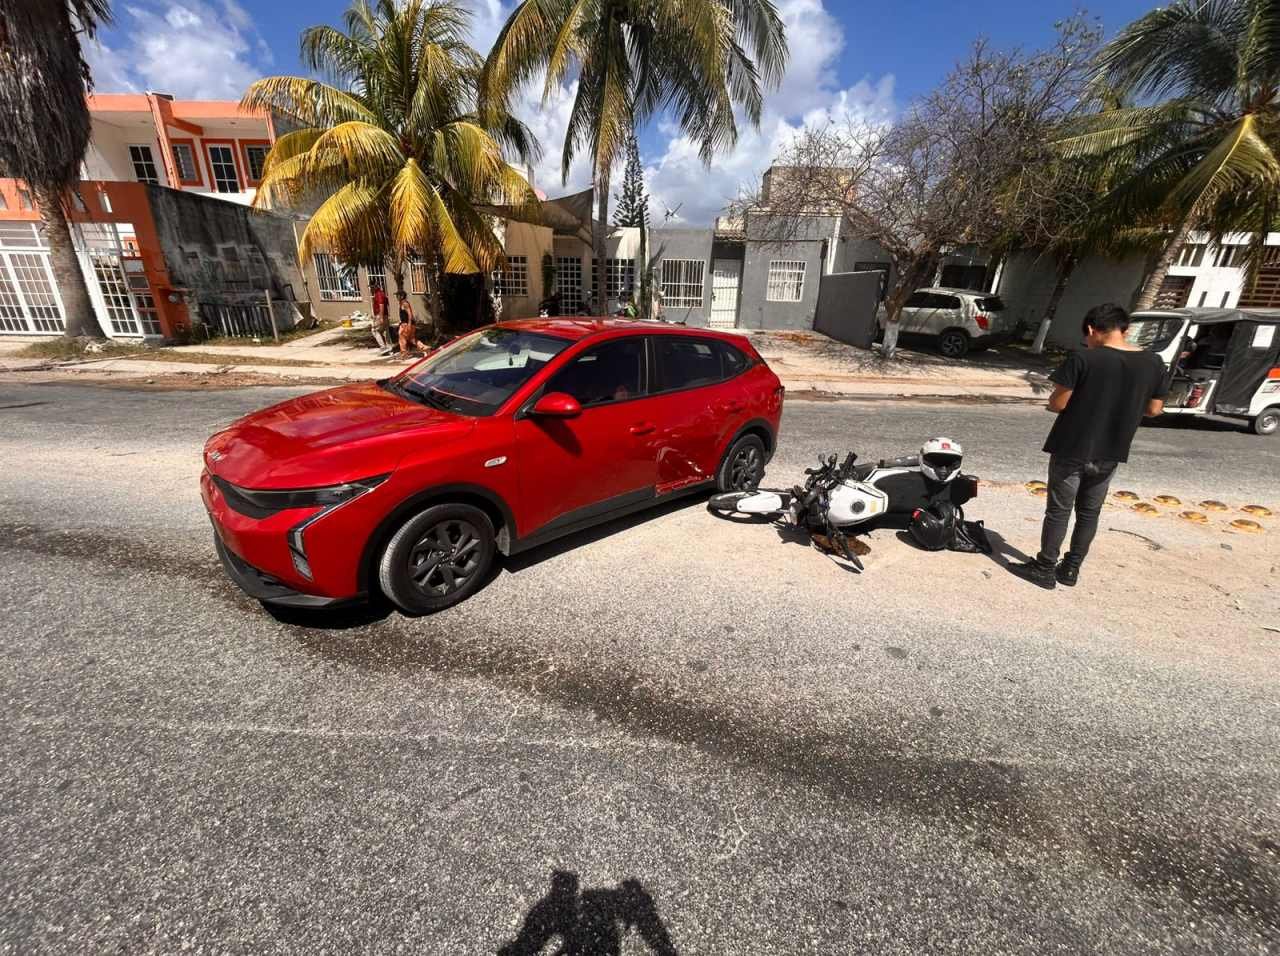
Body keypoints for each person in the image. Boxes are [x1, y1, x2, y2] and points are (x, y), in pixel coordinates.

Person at [1010, 303, 1167, 589]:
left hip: (1073, 445)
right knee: (1089, 512)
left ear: (1093, 330)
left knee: (1059, 510)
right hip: (1112, 450)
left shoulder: (1083, 358)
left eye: (1087, 336)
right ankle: (1071, 569)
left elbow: (1058, 403)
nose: (1086, 341)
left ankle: (1045, 567)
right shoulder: (1154, 362)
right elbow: (1155, 409)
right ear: (1125, 329)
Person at [370, 281, 392, 354]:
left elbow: (381, 305)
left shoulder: (378, 294)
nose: (370, 289)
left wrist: (381, 317)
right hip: (384, 315)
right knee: (386, 331)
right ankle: (389, 348)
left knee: (375, 330)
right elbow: (387, 305)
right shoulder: (382, 293)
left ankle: (383, 347)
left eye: (371, 287)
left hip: (380, 315)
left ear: (374, 287)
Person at [396, 290, 419, 354]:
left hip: (406, 324)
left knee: (402, 338)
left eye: (398, 296)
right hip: (406, 323)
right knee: (412, 339)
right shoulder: (402, 303)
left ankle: (404, 353)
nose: (396, 297)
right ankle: (424, 348)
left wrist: (409, 324)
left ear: (402, 296)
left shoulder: (405, 303)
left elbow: (410, 314)